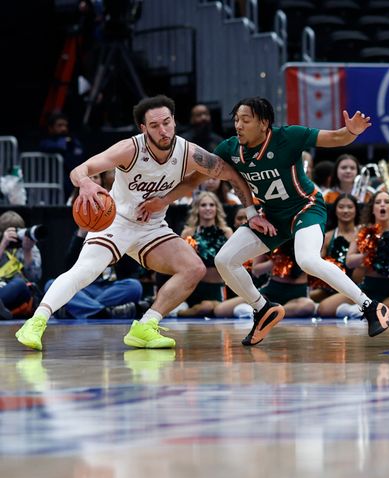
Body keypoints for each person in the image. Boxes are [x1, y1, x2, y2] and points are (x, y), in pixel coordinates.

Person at [15, 94, 269, 351]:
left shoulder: (188, 152)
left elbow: (232, 175)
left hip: (152, 228)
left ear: (174, 121)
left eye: (167, 122)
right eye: (155, 125)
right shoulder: (130, 149)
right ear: (143, 128)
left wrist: (251, 212)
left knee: (194, 268)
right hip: (115, 221)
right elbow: (79, 170)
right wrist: (87, 183)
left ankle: (145, 326)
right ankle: (36, 321)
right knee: (85, 271)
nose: (163, 130)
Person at [139, 97, 389, 344]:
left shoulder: (288, 136)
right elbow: (195, 180)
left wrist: (351, 132)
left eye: (245, 120)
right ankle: (263, 309)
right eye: (236, 119)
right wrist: (163, 200)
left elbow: (337, 138)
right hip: (268, 216)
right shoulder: (229, 148)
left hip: (305, 208)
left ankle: (369, 306)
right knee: (225, 260)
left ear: (264, 123)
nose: (238, 125)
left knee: (307, 259)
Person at [170, 191, 234, 317]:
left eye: (211, 205)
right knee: (203, 309)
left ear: (217, 208)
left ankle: (180, 313)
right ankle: (180, 312)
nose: (208, 208)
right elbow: (180, 263)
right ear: (197, 208)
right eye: (203, 205)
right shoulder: (188, 232)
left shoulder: (226, 232)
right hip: (194, 286)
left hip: (217, 287)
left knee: (208, 308)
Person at [0, 211, 42, 319]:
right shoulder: (1, 245)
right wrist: (3, 245)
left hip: (19, 293)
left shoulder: (29, 247)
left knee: (19, 284)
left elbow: (34, 278)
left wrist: (27, 251)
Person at [38, 112, 85, 199]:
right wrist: (64, 142)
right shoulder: (46, 142)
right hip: (52, 181)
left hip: (72, 180)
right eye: (59, 125)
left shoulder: (73, 141)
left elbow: (79, 153)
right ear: (50, 128)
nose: (63, 128)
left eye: (65, 125)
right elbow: (52, 147)